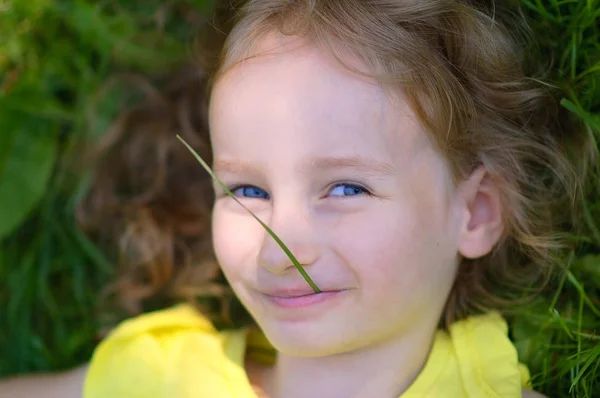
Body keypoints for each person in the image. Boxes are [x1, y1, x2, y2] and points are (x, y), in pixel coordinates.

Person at [1, 0, 586, 397]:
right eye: (248, 190)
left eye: (346, 187)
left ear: (476, 212)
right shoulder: (162, 373)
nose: (281, 249)